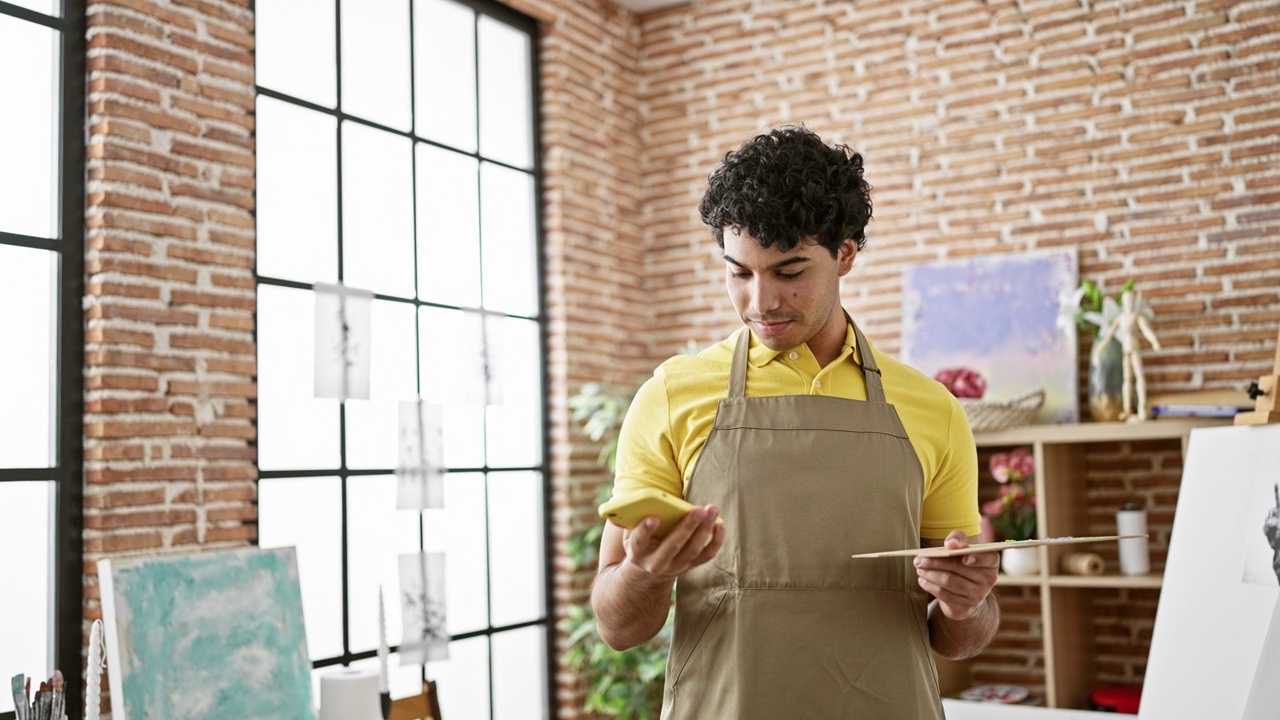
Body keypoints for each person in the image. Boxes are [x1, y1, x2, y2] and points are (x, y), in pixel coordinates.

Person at [590, 125, 1000, 719]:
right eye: (739, 273)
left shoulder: (932, 409)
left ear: (846, 254)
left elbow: (957, 635)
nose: (761, 302)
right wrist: (645, 575)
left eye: (788, 272)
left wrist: (969, 605)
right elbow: (616, 627)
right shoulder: (671, 395)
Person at [1096, 289, 1162, 420]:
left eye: (1131, 300)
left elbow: (1146, 330)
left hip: (1135, 348)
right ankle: (1127, 409)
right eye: (1126, 300)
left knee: (1139, 376)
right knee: (1126, 380)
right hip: (1125, 350)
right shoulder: (1120, 319)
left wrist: (1154, 341)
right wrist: (1098, 352)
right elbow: (1108, 336)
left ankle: (1141, 407)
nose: (1128, 303)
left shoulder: (1137, 317)